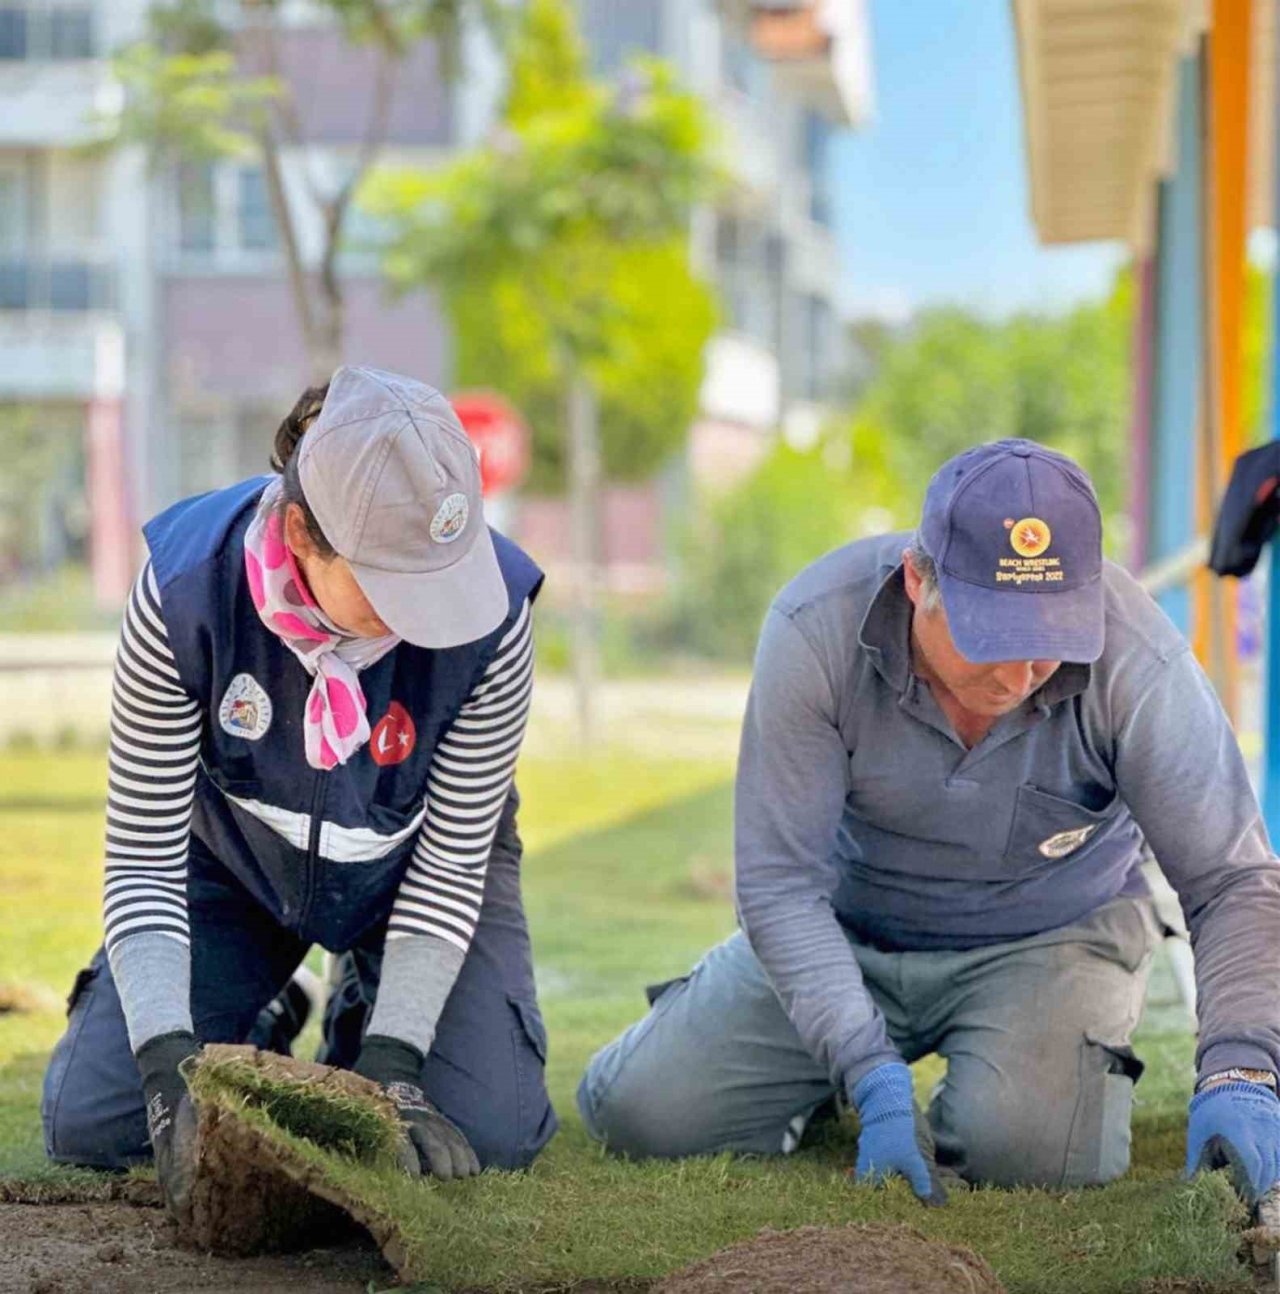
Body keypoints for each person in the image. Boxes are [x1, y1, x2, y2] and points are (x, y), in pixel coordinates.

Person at [578, 438, 1280, 1206]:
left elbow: (1232, 877)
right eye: (993, 640)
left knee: (1028, 1153)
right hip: (849, 933)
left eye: (1048, 644)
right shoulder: (814, 630)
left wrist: (1241, 1068)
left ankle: (986, 1096)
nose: (1018, 678)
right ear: (919, 580)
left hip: (1052, 938)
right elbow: (780, 884)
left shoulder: (1142, 663)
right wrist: (869, 1073)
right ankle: (826, 1083)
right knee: (641, 1115)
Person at [42, 366, 556, 1214]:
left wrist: (394, 1065)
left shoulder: (496, 618)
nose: (424, 619)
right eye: (393, 587)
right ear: (301, 537)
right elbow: (143, 856)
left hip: (416, 874)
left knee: (489, 1130)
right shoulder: (181, 596)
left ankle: (366, 1008)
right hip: (235, 868)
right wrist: (169, 1067)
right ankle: (274, 1000)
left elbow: (457, 858)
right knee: (96, 1124)